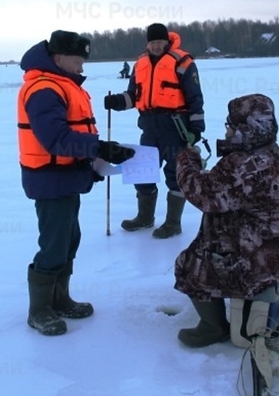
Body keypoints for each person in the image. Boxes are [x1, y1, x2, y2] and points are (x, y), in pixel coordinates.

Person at [17, 30, 135, 336]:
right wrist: (98, 147)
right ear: (58, 59)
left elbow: (76, 133)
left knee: (70, 239)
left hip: (66, 177)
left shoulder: (64, 85)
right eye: (77, 60)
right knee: (54, 244)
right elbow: (55, 139)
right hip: (49, 180)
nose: (82, 67)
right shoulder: (44, 89)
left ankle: (59, 298)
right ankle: (39, 310)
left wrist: (101, 153)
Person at [172, 93, 279, 348]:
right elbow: (229, 191)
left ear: (244, 129)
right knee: (213, 231)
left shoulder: (245, 164)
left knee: (188, 264)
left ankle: (213, 328)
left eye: (230, 126)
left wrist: (186, 161)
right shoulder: (276, 155)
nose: (228, 131)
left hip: (261, 263)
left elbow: (203, 194)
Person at [104, 23, 205, 239]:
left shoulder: (183, 62)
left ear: (167, 42)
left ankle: (172, 223)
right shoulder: (140, 64)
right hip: (149, 125)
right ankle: (145, 217)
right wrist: (118, 101)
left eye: (159, 42)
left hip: (176, 126)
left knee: (175, 173)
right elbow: (133, 95)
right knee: (143, 169)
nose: (156, 46)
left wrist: (196, 129)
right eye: (152, 42)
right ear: (147, 43)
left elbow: (195, 98)